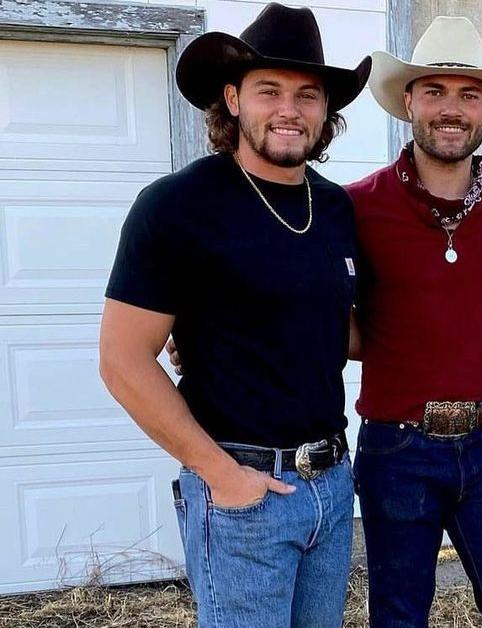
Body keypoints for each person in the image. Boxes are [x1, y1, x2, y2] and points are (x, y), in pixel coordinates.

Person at [98, 4, 371, 626]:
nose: (289, 110)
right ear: (232, 98)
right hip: (242, 493)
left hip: (330, 484)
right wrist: (220, 474)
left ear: (326, 111)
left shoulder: (334, 209)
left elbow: (340, 331)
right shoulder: (178, 206)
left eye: (308, 94)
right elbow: (122, 360)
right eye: (268, 90)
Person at [344, 17, 482, 627]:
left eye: (469, 93)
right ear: (408, 102)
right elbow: (308, 309)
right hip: (397, 444)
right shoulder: (358, 205)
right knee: (399, 618)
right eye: (434, 91)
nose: (451, 109)